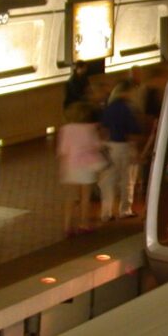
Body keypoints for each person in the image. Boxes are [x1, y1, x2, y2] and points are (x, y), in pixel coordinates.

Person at [57, 98, 104, 237]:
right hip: (86, 167)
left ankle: (67, 226)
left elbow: (63, 150)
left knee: (70, 197)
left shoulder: (65, 129)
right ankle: (84, 224)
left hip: (70, 166)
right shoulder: (90, 129)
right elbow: (96, 145)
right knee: (85, 197)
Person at [99, 79, 141, 220]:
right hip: (125, 146)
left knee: (109, 180)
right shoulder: (128, 108)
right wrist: (135, 150)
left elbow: (104, 129)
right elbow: (132, 131)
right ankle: (125, 210)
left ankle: (106, 212)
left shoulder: (109, 108)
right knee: (127, 180)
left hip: (111, 146)